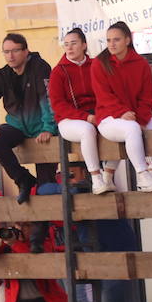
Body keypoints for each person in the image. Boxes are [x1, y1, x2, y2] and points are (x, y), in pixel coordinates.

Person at [0, 33, 57, 204]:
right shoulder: (3, 74)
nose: (10, 56)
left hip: (42, 130)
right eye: (6, 52)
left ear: (26, 51)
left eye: (15, 51)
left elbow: (49, 99)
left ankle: (42, 229)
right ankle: (22, 178)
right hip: (16, 126)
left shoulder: (40, 68)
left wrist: (48, 128)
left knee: (45, 188)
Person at [91, 20, 152, 192]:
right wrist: (122, 113)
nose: (111, 44)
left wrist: (143, 119)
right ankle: (142, 175)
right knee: (131, 129)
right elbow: (104, 96)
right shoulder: (99, 63)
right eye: (108, 40)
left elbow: (147, 97)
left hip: (135, 117)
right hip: (108, 119)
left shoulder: (142, 64)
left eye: (116, 39)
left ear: (127, 40)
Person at [49, 27, 108, 194]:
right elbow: (58, 105)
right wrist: (86, 117)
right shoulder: (58, 72)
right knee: (87, 130)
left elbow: (106, 93)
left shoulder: (97, 65)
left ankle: (109, 174)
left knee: (120, 127)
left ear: (84, 45)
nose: (69, 47)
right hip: (69, 120)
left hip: (96, 114)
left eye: (73, 43)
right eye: (66, 44)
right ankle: (96, 178)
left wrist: (100, 113)